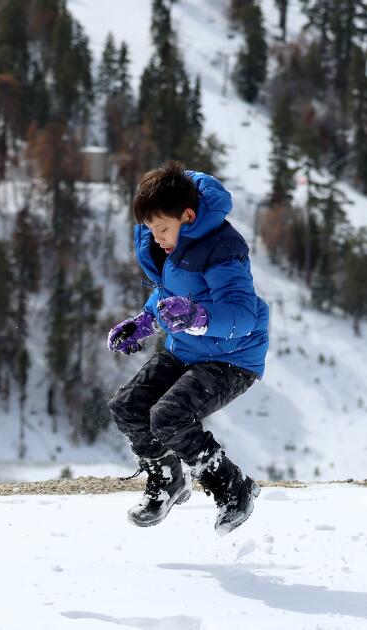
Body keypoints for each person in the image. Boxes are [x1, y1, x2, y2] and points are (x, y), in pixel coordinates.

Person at [107, 160, 270, 536]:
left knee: (168, 416)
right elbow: (169, 297)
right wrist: (144, 322)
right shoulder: (172, 245)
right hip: (187, 349)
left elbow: (242, 314)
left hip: (231, 358)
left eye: (162, 228)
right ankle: (167, 481)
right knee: (128, 407)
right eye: (151, 229)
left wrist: (197, 317)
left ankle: (234, 488)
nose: (158, 237)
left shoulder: (221, 248)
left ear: (189, 215)